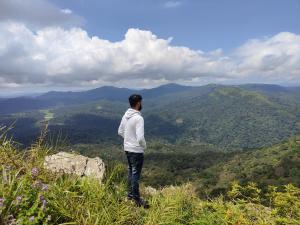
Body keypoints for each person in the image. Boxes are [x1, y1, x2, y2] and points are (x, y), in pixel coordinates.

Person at [118, 94, 149, 208]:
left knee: (131, 172)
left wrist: (128, 140)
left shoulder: (125, 116)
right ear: (138, 103)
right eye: (141, 102)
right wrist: (143, 146)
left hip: (127, 149)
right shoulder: (139, 118)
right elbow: (140, 138)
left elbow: (120, 131)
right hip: (136, 150)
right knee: (135, 174)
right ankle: (136, 200)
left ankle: (130, 196)